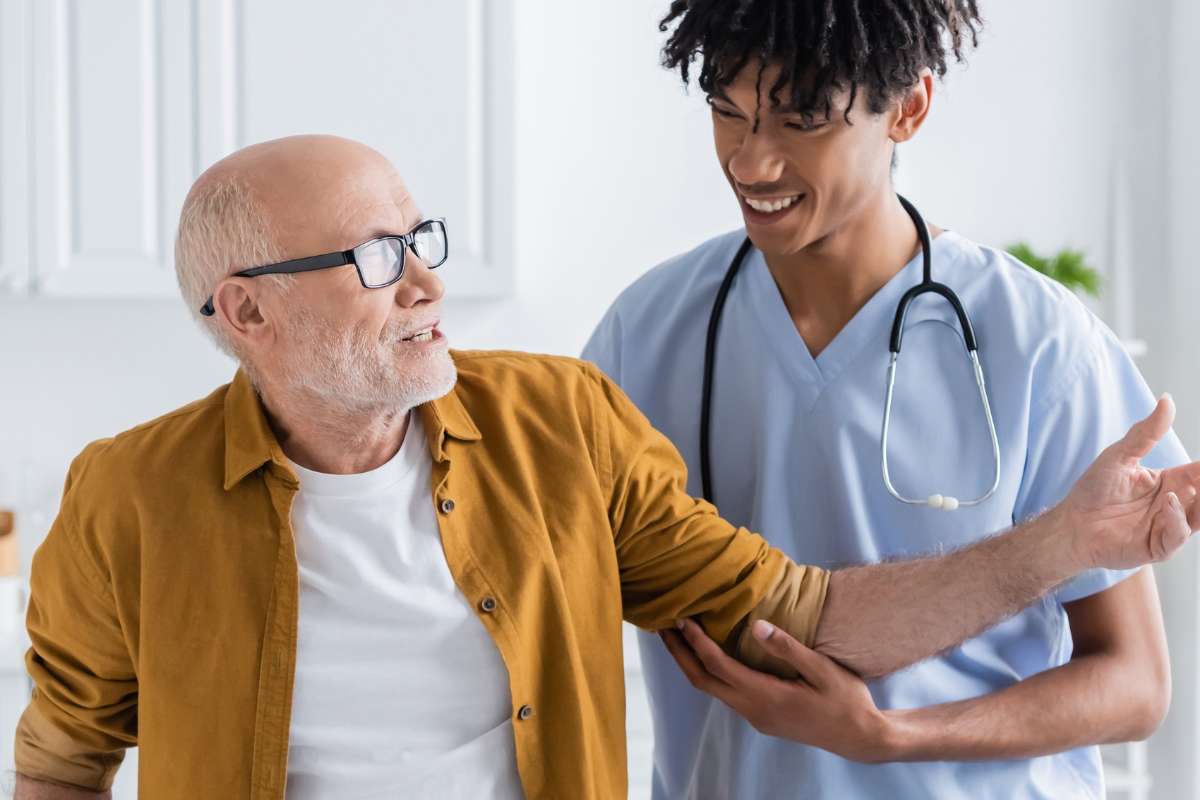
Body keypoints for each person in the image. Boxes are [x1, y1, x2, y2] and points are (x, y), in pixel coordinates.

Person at [13, 136, 1198, 800]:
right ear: (246, 312)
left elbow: (813, 614)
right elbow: (63, 761)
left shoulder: (562, 425)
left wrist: (1066, 543)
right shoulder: (127, 498)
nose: (428, 281)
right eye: (378, 256)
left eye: (420, 238)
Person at [582, 2, 1187, 798]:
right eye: (728, 114)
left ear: (908, 108)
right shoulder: (647, 333)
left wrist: (888, 740)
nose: (751, 163)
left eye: (801, 123)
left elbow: (1136, 684)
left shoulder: (1037, 339)